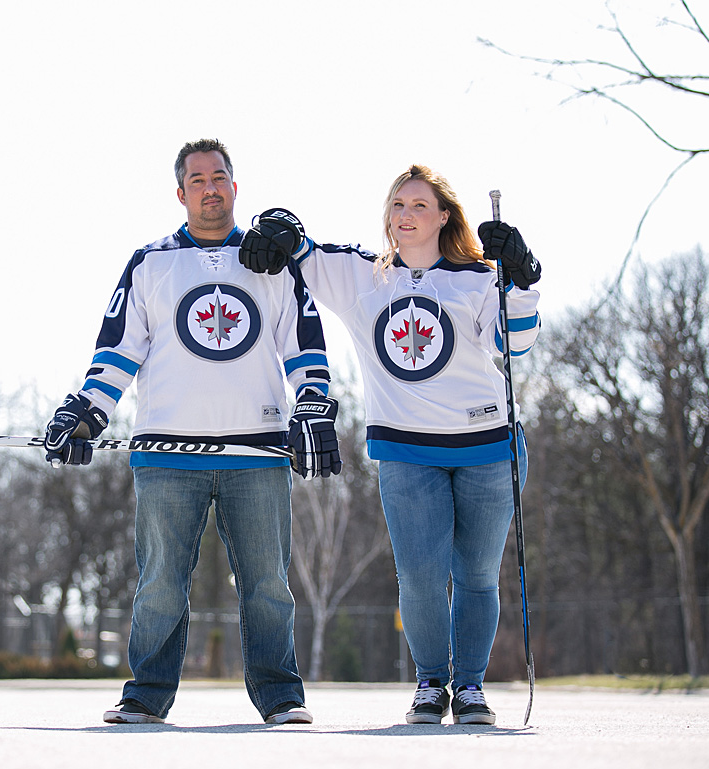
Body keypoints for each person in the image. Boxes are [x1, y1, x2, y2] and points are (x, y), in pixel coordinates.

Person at [43, 138, 341, 725]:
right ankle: (146, 696)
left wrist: (313, 405)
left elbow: (303, 347)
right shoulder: (150, 263)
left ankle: (281, 697)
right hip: (166, 452)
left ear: (236, 187)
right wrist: (88, 409)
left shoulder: (274, 262)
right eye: (197, 179)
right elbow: (118, 351)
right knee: (158, 585)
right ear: (181, 194)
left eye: (220, 176)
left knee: (267, 586)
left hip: (256, 452)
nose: (210, 187)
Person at [239, 164, 543, 725]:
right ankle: (432, 683)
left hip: (487, 447)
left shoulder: (478, 278)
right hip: (406, 451)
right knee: (421, 577)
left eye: (419, 206)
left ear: (445, 217)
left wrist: (520, 277)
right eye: (397, 205)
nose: (404, 216)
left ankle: (471, 688)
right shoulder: (365, 276)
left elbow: (516, 345)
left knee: (477, 576)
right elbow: (300, 249)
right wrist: (274, 225)